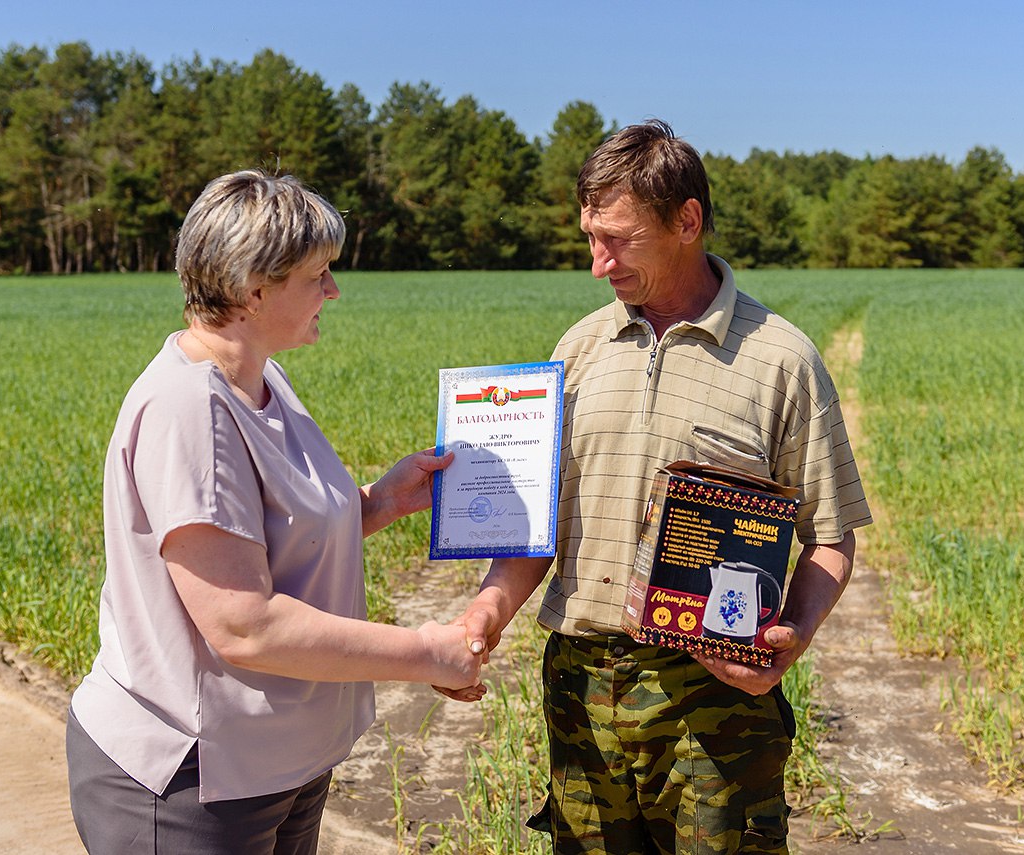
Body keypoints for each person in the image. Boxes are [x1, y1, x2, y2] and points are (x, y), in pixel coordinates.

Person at [444, 121, 873, 854]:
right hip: (580, 690)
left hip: (715, 702)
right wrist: (481, 618)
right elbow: (537, 528)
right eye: (589, 235)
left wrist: (792, 635)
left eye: (617, 238)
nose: (595, 263)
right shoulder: (577, 351)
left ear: (687, 221)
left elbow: (831, 538)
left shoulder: (783, 361)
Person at [67, 170, 486, 855]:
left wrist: (383, 500)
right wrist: (429, 652)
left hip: (279, 762)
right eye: (318, 274)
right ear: (252, 288)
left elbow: (273, 535)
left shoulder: (263, 377)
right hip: (192, 780)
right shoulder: (189, 407)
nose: (333, 291)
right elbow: (245, 624)